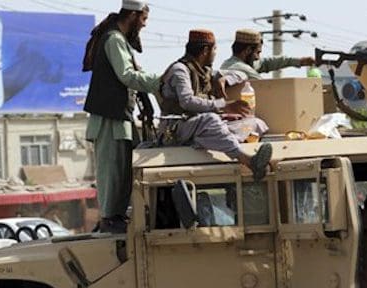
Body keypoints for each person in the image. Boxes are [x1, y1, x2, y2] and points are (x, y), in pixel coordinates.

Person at [82, 0, 159, 234]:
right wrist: (162, 82)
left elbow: (135, 75)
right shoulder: (114, 39)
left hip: (120, 116)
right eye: (143, 19)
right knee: (111, 172)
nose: (144, 25)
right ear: (133, 15)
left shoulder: (121, 41)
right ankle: (108, 219)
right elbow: (127, 76)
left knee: (123, 171)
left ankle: (115, 216)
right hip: (108, 118)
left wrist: (148, 100)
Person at [159, 29, 272, 181]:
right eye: (215, 49)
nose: (215, 53)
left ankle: (208, 139)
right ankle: (250, 161)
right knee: (211, 120)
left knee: (254, 123)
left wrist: (225, 79)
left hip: (197, 126)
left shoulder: (205, 71)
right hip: (176, 127)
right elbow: (187, 101)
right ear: (206, 50)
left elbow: (242, 73)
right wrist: (223, 105)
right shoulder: (180, 70)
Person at [220, 29, 315, 80]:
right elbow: (266, 87)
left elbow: (266, 63)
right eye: (257, 53)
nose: (258, 57)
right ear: (248, 50)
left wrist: (300, 61)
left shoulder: (235, 63)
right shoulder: (240, 68)